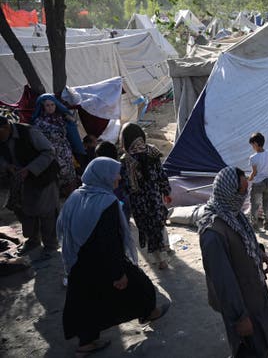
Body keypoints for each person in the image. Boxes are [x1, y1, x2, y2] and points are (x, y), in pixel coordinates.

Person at [58, 157, 169, 357]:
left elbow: (64, 229)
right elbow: (109, 240)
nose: (118, 177)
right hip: (103, 261)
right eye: (114, 173)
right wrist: (118, 273)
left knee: (86, 301)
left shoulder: (76, 196)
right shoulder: (105, 202)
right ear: (103, 176)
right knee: (140, 283)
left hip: (79, 262)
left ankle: (86, 344)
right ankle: (149, 312)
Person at [199, 166, 268, 357]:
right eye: (242, 190)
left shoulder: (232, 212)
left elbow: (244, 238)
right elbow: (223, 282)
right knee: (249, 347)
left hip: (253, 292)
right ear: (228, 191)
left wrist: (259, 253)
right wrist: (240, 317)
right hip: (241, 304)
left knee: (263, 338)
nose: (246, 194)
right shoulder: (213, 232)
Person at [0, 115, 60, 259]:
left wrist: (30, 169)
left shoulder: (29, 132)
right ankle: (33, 240)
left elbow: (49, 151)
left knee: (47, 211)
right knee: (24, 210)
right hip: (20, 180)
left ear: (7, 127)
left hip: (43, 175)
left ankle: (51, 245)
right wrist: (7, 166)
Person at [120, 123, 172, 270]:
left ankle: (159, 258)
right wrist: (166, 191)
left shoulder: (126, 160)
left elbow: (126, 185)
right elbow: (161, 174)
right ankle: (164, 253)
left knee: (148, 228)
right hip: (155, 197)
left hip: (139, 202)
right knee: (158, 222)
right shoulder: (153, 151)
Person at [31, 94, 79, 195]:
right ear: (43, 106)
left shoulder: (60, 118)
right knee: (55, 176)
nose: (50, 107)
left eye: (53, 105)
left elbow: (73, 125)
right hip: (51, 153)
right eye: (47, 105)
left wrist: (69, 117)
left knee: (70, 177)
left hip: (65, 152)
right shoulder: (38, 122)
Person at [247, 132, 268, 230]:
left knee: (255, 205)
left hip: (258, 183)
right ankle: (267, 223)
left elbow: (254, 172)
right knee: (266, 203)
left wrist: (249, 179)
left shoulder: (253, 158)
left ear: (255, 144)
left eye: (252, 144)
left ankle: (254, 225)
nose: (252, 147)